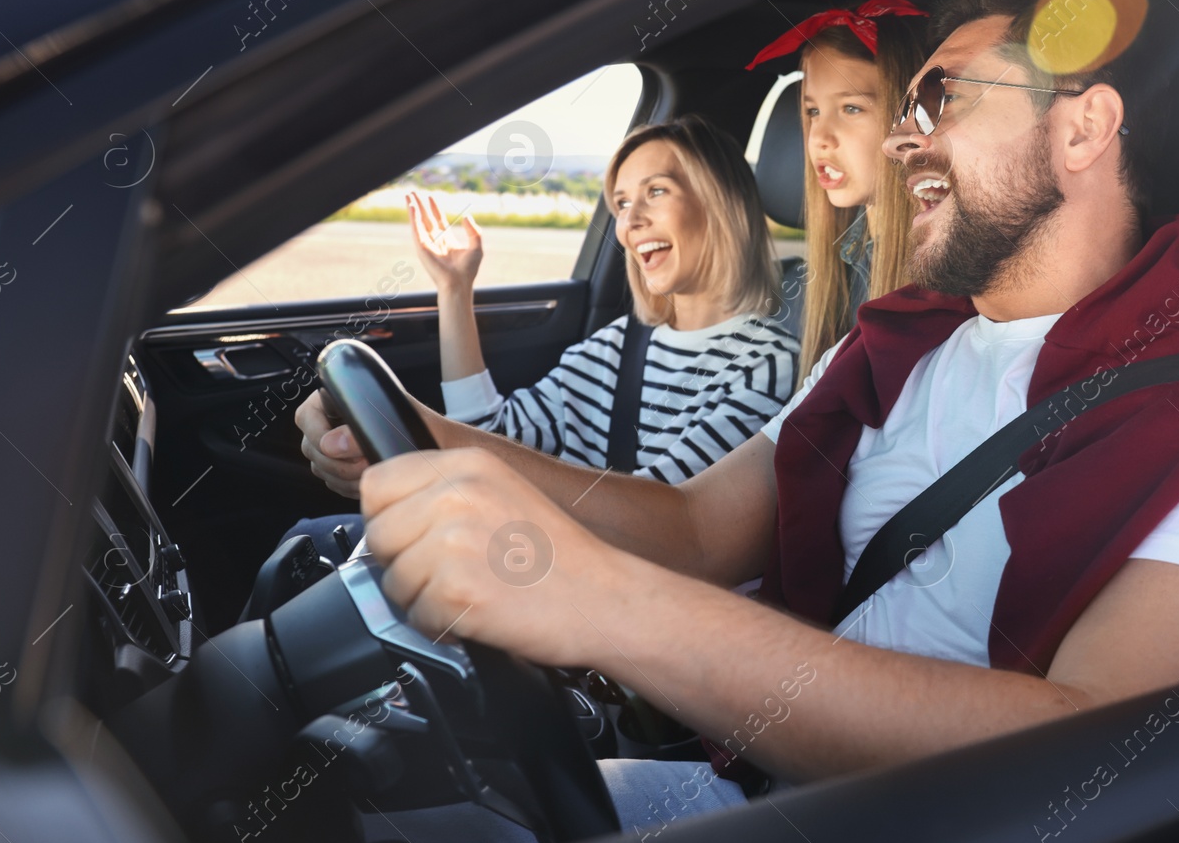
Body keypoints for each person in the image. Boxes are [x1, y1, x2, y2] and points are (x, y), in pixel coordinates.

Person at [296, 0, 1179, 843]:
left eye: (937, 96)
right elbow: (699, 528)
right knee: (343, 786)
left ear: (1083, 128)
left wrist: (595, 602)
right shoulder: (899, 337)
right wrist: (425, 432)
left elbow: (1087, 756)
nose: (900, 139)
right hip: (752, 792)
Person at [288, 114, 798, 563]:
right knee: (310, 545)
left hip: (598, 600)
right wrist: (454, 288)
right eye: (620, 202)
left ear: (721, 202)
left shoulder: (767, 365)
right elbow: (492, 430)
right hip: (537, 559)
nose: (630, 220)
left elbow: (666, 530)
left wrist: (433, 446)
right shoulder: (621, 343)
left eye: (656, 191)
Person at [747, 0, 930, 381]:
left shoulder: (943, 282)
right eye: (813, 111)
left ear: (913, 117)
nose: (819, 138)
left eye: (850, 108)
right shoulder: (806, 286)